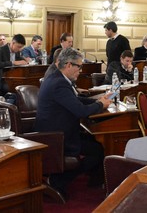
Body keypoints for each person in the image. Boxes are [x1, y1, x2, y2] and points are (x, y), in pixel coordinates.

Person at [35, 48, 112, 198]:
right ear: (69, 65)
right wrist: (100, 105)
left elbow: (74, 100)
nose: (80, 70)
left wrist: (97, 100)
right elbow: (80, 111)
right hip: (57, 138)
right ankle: (58, 180)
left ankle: (94, 180)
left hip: (59, 131)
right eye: (79, 66)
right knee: (97, 150)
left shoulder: (57, 77)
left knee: (94, 141)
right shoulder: (59, 83)